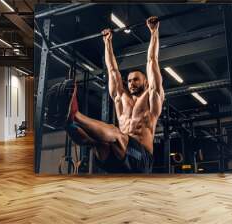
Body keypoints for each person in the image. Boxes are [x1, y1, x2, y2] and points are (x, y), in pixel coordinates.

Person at [65, 16, 164, 173]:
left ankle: (75, 115)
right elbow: (112, 70)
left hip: (141, 160)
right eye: (130, 80)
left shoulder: (151, 97)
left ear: (145, 82)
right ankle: (68, 122)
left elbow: (152, 60)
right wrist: (107, 42)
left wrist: (154, 32)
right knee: (97, 141)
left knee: (117, 134)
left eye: (136, 80)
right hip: (117, 158)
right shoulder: (121, 98)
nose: (131, 83)